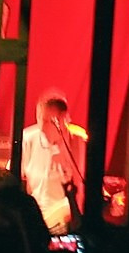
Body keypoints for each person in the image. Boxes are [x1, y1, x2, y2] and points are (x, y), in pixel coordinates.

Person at [21, 89, 86, 235]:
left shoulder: (78, 141)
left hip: (65, 219)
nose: (41, 127)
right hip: (35, 217)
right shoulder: (28, 138)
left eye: (46, 121)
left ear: (62, 120)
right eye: (39, 119)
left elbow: (81, 184)